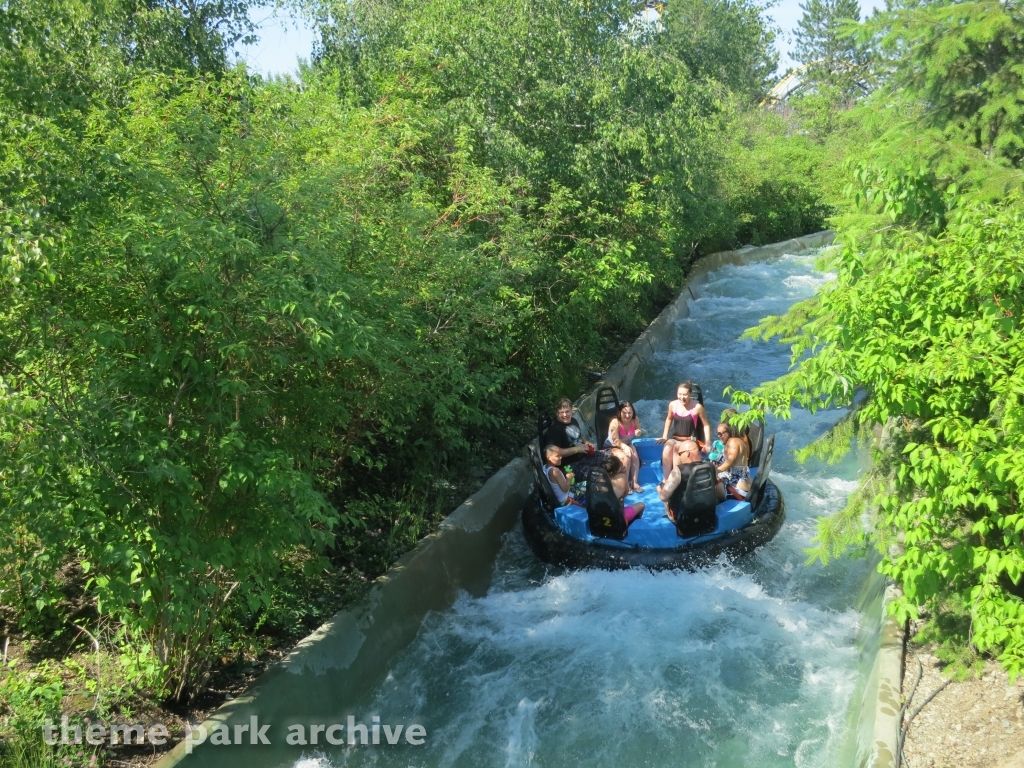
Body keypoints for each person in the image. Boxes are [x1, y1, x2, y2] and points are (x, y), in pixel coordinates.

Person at [657, 439, 725, 522]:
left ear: (687, 453)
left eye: (680, 454)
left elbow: (663, 497)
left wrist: (661, 490)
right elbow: (719, 490)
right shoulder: (711, 466)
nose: (679, 457)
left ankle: (670, 518)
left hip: (685, 519)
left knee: (665, 491)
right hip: (707, 516)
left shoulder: (678, 470)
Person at [656, 381, 712, 473]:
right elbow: (669, 419)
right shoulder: (673, 405)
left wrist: (707, 443)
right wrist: (665, 436)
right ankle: (666, 479)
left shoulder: (697, 407)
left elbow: (706, 425)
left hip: (690, 440)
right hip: (676, 437)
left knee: (676, 449)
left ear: (690, 394)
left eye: (685, 395)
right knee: (667, 448)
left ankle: (676, 479)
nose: (682, 397)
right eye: (680, 394)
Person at [545, 397, 606, 478]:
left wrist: (586, 442)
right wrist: (577, 449)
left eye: (567, 411)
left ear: (571, 411)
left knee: (617, 456)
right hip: (571, 466)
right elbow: (556, 453)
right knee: (601, 476)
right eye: (561, 412)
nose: (565, 415)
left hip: (585, 457)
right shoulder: (554, 430)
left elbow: (580, 435)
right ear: (557, 414)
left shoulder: (573, 420)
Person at [606, 401, 643, 493]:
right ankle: (626, 485)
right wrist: (624, 447)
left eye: (629, 413)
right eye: (624, 413)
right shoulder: (615, 422)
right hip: (612, 446)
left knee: (634, 454)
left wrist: (638, 431)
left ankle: (634, 482)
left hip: (626, 444)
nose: (627, 415)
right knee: (626, 457)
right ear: (620, 413)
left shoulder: (635, 420)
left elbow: (638, 429)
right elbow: (615, 440)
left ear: (633, 412)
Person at [601, 454, 644, 525]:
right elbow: (626, 492)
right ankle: (629, 526)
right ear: (618, 468)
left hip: (601, 516)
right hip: (618, 517)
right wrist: (623, 473)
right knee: (641, 505)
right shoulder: (622, 477)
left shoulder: (600, 478)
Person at [715, 421, 752, 499]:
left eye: (721, 434)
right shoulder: (737, 440)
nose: (719, 436)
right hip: (739, 487)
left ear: (729, 431)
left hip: (737, 490)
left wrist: (715, 471)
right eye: (718, 434)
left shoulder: (733, 442)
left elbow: (729, 462)